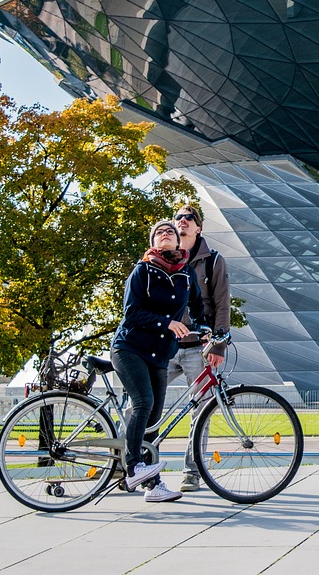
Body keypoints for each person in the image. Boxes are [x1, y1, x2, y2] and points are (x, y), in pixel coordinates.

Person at [111, 220, 193, 503]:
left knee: (153, 421)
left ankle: (153, 484)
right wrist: (167, 324)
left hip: (159, 354)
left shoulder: (184, 274)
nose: (167, 233)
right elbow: (131, 313)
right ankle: (133, 467)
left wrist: (209, 330)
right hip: (130, 348)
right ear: (153, 242)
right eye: (160, 232)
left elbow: (196, 308)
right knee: (143, 403)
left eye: (170, 231)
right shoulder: (142, 270)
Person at [169, 203, 231, 493]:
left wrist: (218, 345)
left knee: (201, 411)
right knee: (140, 405)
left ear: (198, 227)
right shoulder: (161, 257)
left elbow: (222, 304)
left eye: (189, 217)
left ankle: (191, 472)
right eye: (178, 217)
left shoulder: (213, 260)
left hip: (198, 347)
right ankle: (128, 464)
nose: (182, 221)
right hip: (165, 345)